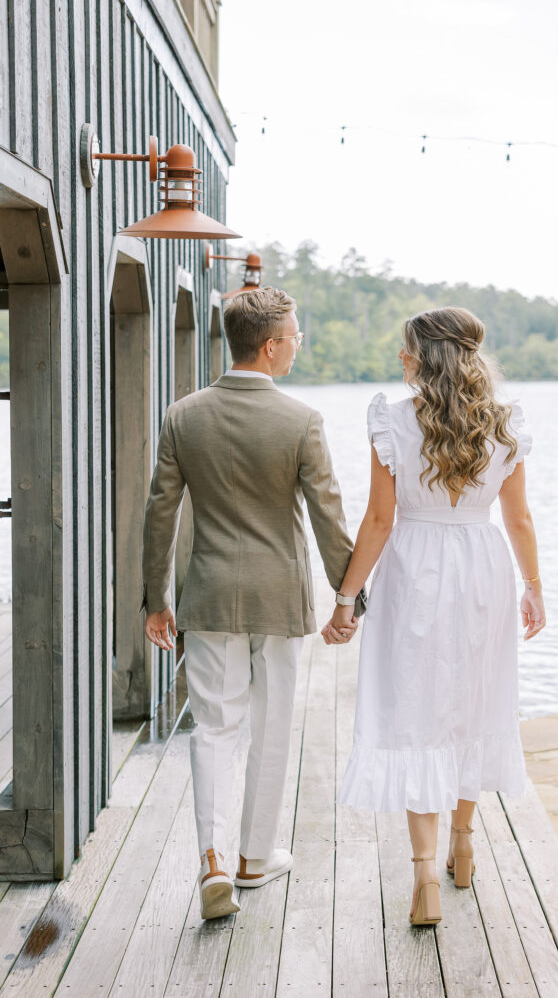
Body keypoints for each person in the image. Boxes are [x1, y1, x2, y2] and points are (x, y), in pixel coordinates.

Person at [141, 286, 365, 920]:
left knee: (212, 727)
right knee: (271, 729)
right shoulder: (300, 421)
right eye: (295, 336)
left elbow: (160, 512)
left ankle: (212, 859)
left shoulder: (182, 415)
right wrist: (348, 597)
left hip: (209, 594)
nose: (299, 345)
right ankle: (253, 857)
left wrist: (155, 597)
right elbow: (329, 517)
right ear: (270, 346)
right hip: (280, 596)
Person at [322, 306, 546, 927]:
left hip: (414, 566)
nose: (400, 359)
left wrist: (346, 598)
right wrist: (533, 586)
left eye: (406, 350)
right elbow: (519, 518)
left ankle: (424, 875)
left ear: (423, 357)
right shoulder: (503, 424)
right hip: (482, 565)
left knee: (417, 706)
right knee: (474, 700)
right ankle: (464, 846)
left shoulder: (393, 422)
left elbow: (378, 520)